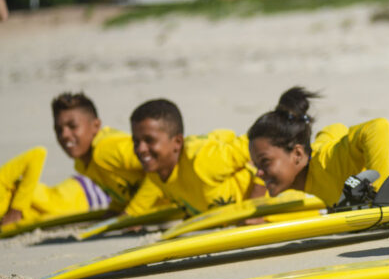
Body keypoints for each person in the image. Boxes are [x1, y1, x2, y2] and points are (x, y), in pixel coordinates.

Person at [1, 92, 164, 228]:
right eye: (58, 130)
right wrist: (116, 209)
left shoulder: (107, 148)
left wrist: (133, 213)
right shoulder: (82, 163)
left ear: (95, 126)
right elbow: (121, 186)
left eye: (72, 126)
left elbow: (159, 168)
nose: (64, 135)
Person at [247, 87, 389, 204]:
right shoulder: (319, 156)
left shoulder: (327, 162)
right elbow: (335, 129)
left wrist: (379, 194)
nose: (258, 173)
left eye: (265, 162)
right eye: (256, 165)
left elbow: (377, 127)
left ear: (297, 154)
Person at [130, 98, 264, 216]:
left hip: (277, 204)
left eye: (150, 140)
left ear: (177, 142)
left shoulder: (202, 160)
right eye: (136, 142)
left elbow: (263, 138)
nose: (140, 149)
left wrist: (254, 208)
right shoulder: (156, 173)